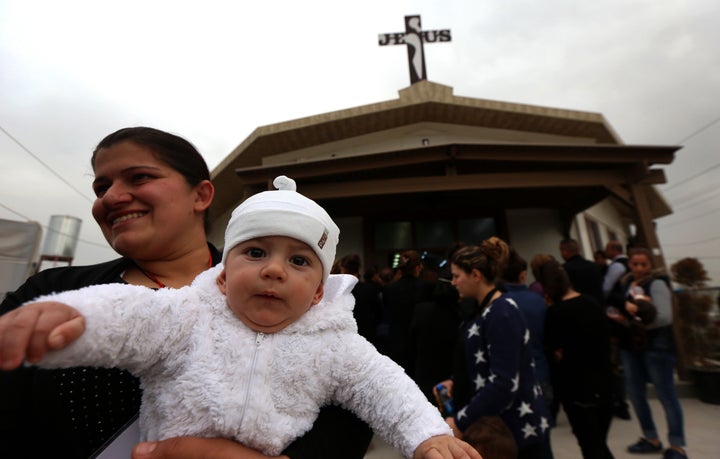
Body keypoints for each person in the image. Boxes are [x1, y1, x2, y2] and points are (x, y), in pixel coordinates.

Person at [0, 176, 482, 459]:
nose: (274, 269)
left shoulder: (336, 344)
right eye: (255, 252)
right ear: (224, 276)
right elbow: (127, 315)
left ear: (318, 292)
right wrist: (71, 316)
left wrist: (428, 435)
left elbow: (385, 387)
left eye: (298, 261)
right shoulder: (187, 315)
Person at [0, 127, 373, 459]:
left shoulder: (296, 297)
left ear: (202, 195)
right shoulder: (54, 293)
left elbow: (353, 409)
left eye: (139, 177)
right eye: (101, 187)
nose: (111, 197)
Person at [437, 237, 551, 459]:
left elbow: (504, 382)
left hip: (519, 433)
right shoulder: (487, 310)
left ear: (476, 275)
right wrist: (456, 381)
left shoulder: (502, 313)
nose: (453, 282)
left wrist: (460, 421)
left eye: (457, 276)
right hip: (506, 430)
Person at [538, 260, 615, 459]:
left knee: (591, 446)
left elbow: (553, 350)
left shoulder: (556, 313)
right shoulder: (591, 302)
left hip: (577, 390)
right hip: (605, 385)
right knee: (599, 444)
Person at [616, 248, 688, 459]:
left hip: (657, 346)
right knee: (636, 395)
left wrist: (633, 321)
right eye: (635, 264)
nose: (638, 268)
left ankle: (677, 446)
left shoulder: (656, 283)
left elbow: (664, 317)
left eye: (643, 264)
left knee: (666, 395)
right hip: (631, 346)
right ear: (629, 264)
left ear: (650, 265)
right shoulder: (625, 284)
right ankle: (651, 438)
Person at [382, 250, 431, 373]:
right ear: (418, 267)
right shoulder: (427, 288)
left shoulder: (388, 289)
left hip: (396, 341)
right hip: (419, 343)